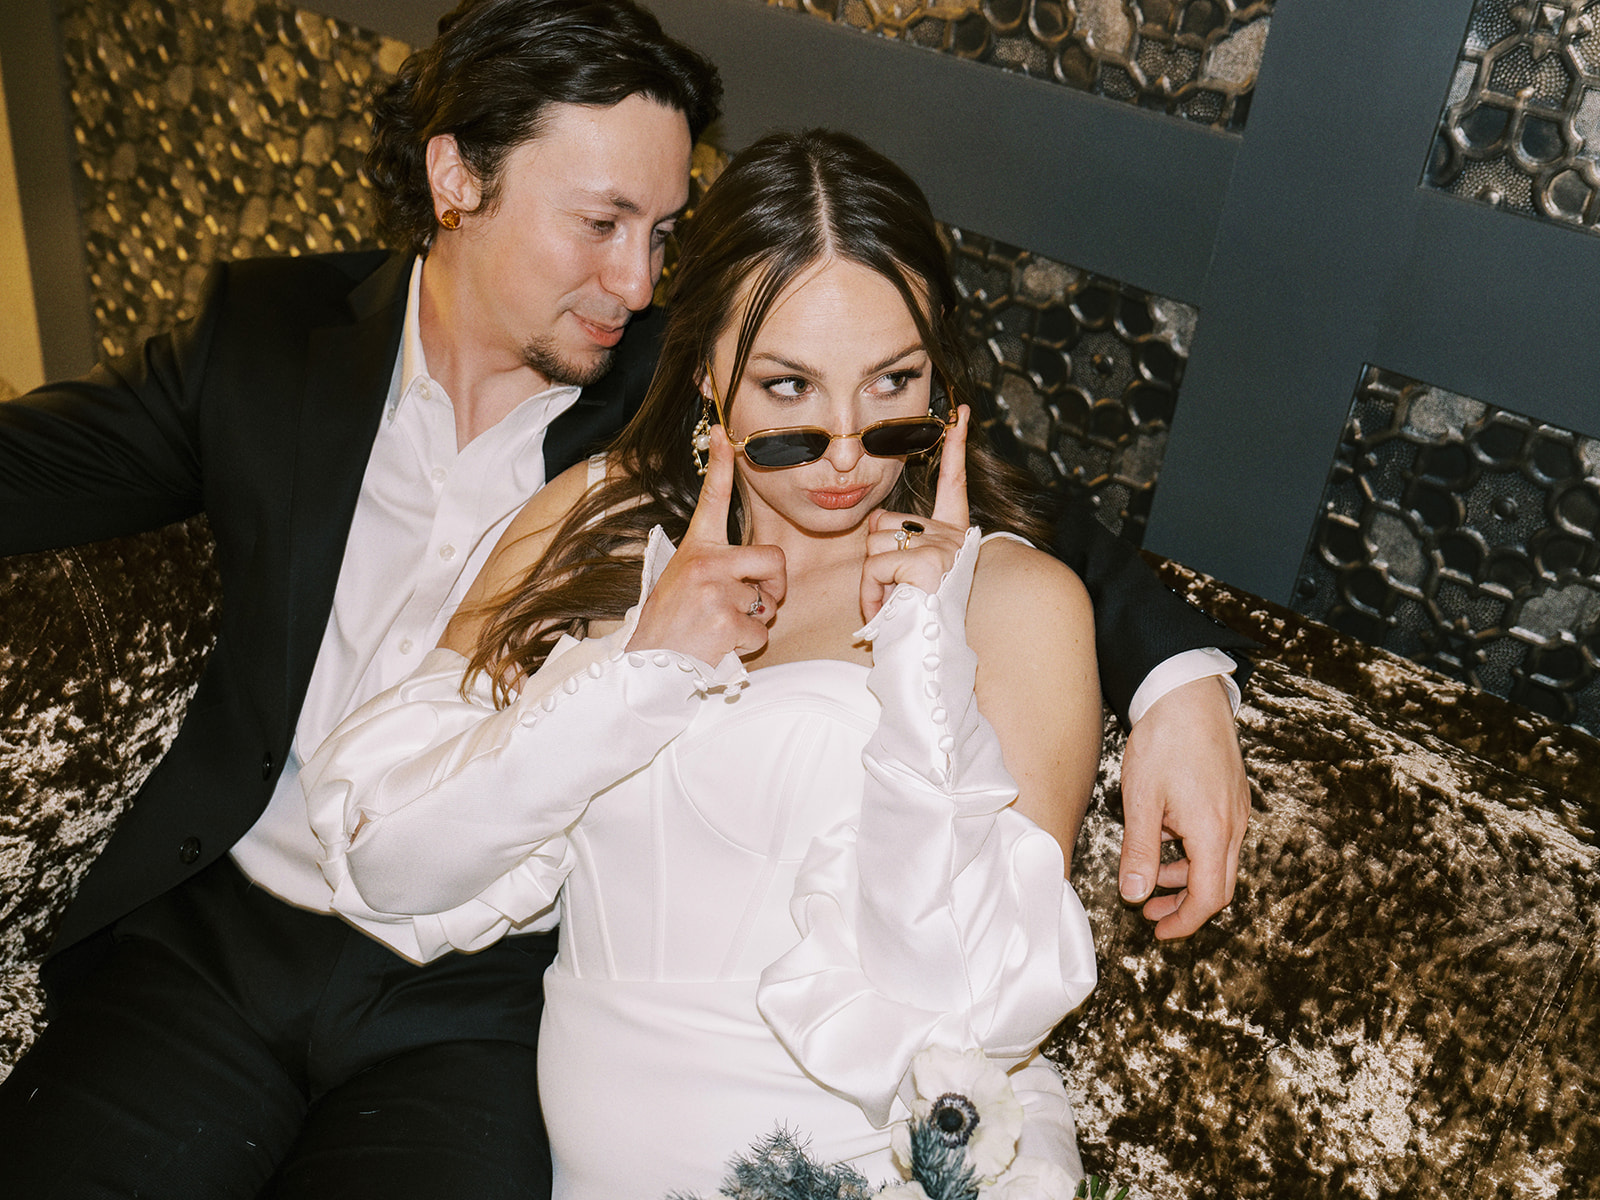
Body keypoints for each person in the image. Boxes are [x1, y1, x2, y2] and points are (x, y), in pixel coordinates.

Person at [0, 0, 1248, 1193]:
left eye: (664, 230)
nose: (638, 279)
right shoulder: (276, 341)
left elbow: (979, 482)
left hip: (479, 1007)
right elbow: (43, 466)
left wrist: (1179, 678)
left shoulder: (710, 367)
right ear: (457, 180)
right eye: (603, 223)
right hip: (233, 927)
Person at [299, 127, 1101, 1198]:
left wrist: (921, 654)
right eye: (787, 390)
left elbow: (967, 1010)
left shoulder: (1019, 605)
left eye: (892, 383)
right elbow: (388, 864)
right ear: (708, 371)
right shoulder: (591, 517)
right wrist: (641, 667)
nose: (848, 451)